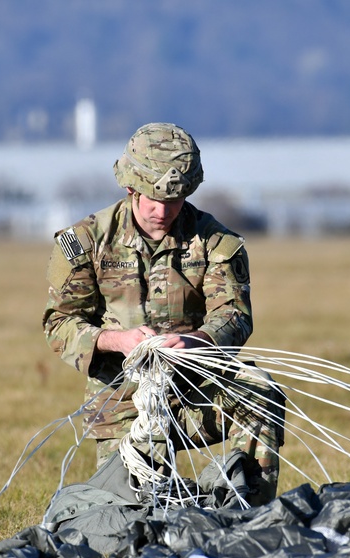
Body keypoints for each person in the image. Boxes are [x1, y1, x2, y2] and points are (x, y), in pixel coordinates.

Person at [42, 122, 284, 504]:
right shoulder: (86, 241)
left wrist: (197, 341)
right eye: (153, 199)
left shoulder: (217, 242)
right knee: (134, 514)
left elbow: (234, 314)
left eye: (175, 200)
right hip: (122, 405)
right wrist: (117, 340)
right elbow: (60, 324)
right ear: (130, 187)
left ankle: (252, 513)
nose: (162, 211)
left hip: (196, 394)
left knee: (259, 390)